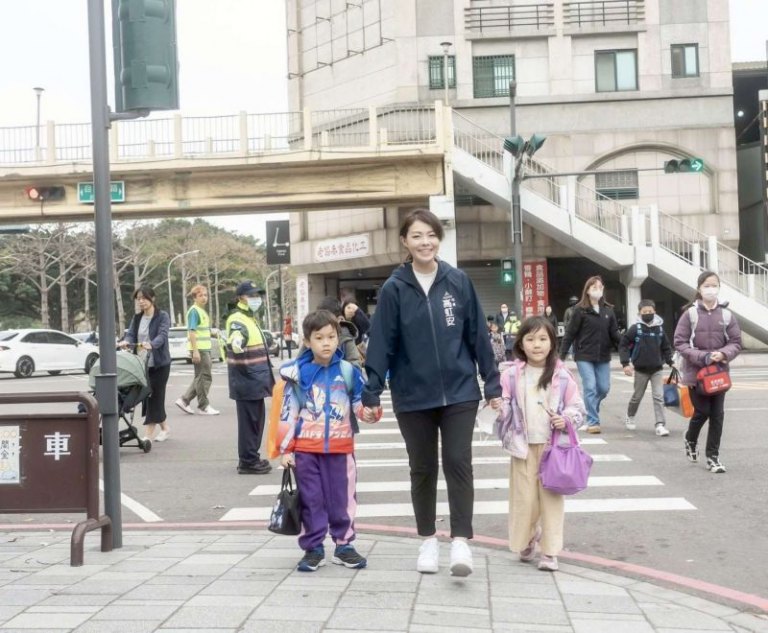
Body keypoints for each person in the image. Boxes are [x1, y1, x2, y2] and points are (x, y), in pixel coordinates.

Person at [362, 208, 502, 577]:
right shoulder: (394, 289)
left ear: (439, 239)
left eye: (431, 235)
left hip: (460, 391)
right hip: (412, 395)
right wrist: (371, 391)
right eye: (417, 236)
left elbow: (478, 336)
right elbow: (381, 343)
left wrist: (492, 382)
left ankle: (461, 542)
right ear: (405, 242)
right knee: (422, 467)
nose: (425, 242)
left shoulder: (458, 281)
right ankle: (427, 540)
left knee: (458, 461)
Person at [278, 309, 370, 572]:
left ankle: (344, 545)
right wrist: (286, 449)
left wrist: (369, 412)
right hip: (306, 450)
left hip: (341, 450)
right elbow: (288, 412)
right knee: (311, 500)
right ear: (307, 342)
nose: (326, 343)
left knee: (343, 499)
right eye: (319, 338)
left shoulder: (348, 371)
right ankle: (313, 548)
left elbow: (359, 403)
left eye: (331, 337)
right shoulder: (297, 374)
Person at [498, 316, 585, 572]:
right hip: (522, 448)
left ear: (552, 343)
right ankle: (527, 539)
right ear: (520, 344)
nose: (537, 345)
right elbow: (504, 407)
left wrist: (565, 419)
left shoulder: (563, 376)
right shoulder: (511, 375)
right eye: (530, 339)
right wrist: (498, 407)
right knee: (524, 500)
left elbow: (577, 408)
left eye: (543, 339)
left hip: (553, 450)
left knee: (551, 501)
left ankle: (549, 551)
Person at [673, 271, 742, 473]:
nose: (711, 289)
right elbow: (680, 342)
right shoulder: (690, 314)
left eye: (714, 285)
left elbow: (736, 342)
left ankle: (713, 457)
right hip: (696, 374)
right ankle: (690, 438)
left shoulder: (727, 315)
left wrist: (723, 354)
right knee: (702, 411)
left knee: (717, 415)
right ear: (699, 289)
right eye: (707, 285)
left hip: (719, 373)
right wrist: (702, 357)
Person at [558, 276, 620, 434]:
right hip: (584, 355)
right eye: (594, 287)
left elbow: (615, 335)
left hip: (603, 356)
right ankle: (593, 421)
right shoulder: (580, 310)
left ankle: (588, 409)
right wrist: (561, 356)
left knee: (603, 388)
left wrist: (627, 352)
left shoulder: (608, 311)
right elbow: (570, 334)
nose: (597, 290)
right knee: (590, 387)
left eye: (600, 287)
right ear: (587, 291)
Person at [226, 281, 274, 475]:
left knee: (255, 421)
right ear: (240, 298)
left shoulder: (250, 317)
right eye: (251, 295)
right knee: (249, 422)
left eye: (257, 295)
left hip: (254, 378)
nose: (256, 299)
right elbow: (237, 334)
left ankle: (251, 457)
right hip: (246, 378)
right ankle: (248, 461)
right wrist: (236, 341)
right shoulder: (237, 318)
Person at [120, 286, 172, 443]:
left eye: (144, 298)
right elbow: (131, 334)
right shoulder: (137, 318)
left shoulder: (162, 316)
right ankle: (165, 428)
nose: (141, 301)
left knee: (155, 397)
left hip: (160, 365)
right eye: (138, 299)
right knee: (148, 397)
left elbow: (162, 335)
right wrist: (126, 341)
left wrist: (152, 344)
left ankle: (148, 435)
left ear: (152, 298)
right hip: (142, 365)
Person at [618, 299, 674, 436]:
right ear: (639, 313)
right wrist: (625, 363)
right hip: (640, 370)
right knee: (637, 396)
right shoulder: (635, 328)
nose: (648, 313)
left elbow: (666, 347)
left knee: (658, 397)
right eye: (645, 312)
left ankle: (660, 424)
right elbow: (623, 345)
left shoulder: (659, 329)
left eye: (650, 311)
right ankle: (630, 415)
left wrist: (670, 361)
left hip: (657, 369)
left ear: (655, 312)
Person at [175, 284, 220, 416]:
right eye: (200, 295)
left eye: (205, 295)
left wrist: (212, 332)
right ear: (194, 298)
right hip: (200, 349)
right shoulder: (194, 311)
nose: (204, 298)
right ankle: (203, 406)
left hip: (204, 348)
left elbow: (201, 330)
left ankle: (184, 400)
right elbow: (192, 332)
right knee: (204, 377)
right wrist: (195, 351)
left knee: (200, 377)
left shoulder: (201, 311)